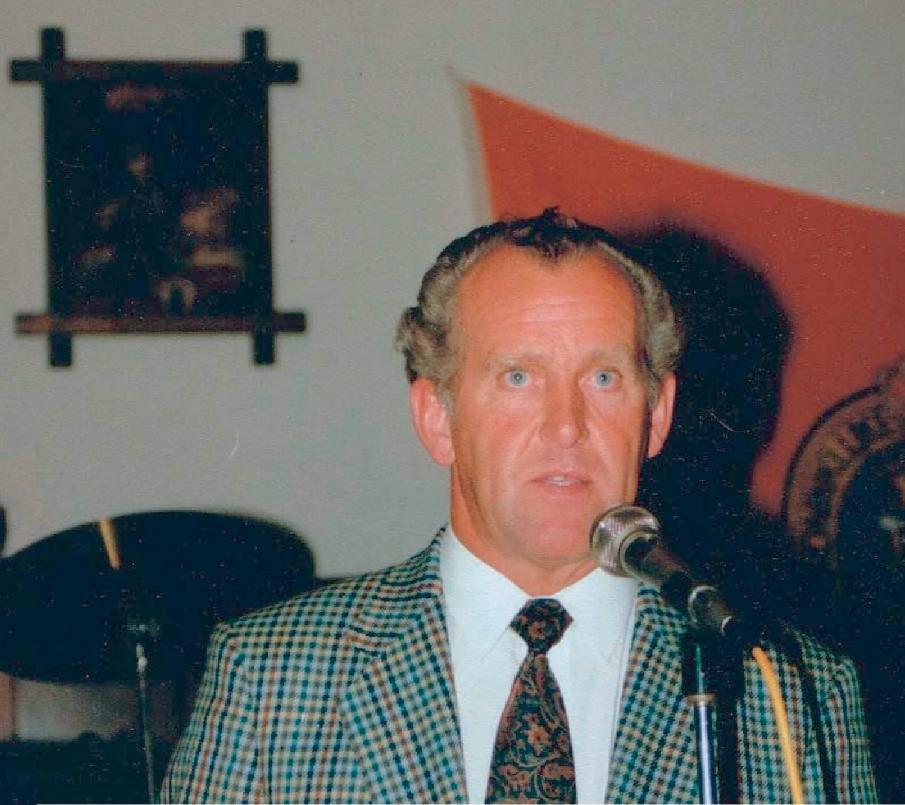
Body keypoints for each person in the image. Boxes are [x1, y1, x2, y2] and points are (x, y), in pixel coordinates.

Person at [160, 209, 876, 803]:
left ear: (656, 415)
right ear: (437, 417)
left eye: (602, 377)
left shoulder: (790, 691)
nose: (566, 425)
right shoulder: (271, 676)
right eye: (517, 377)